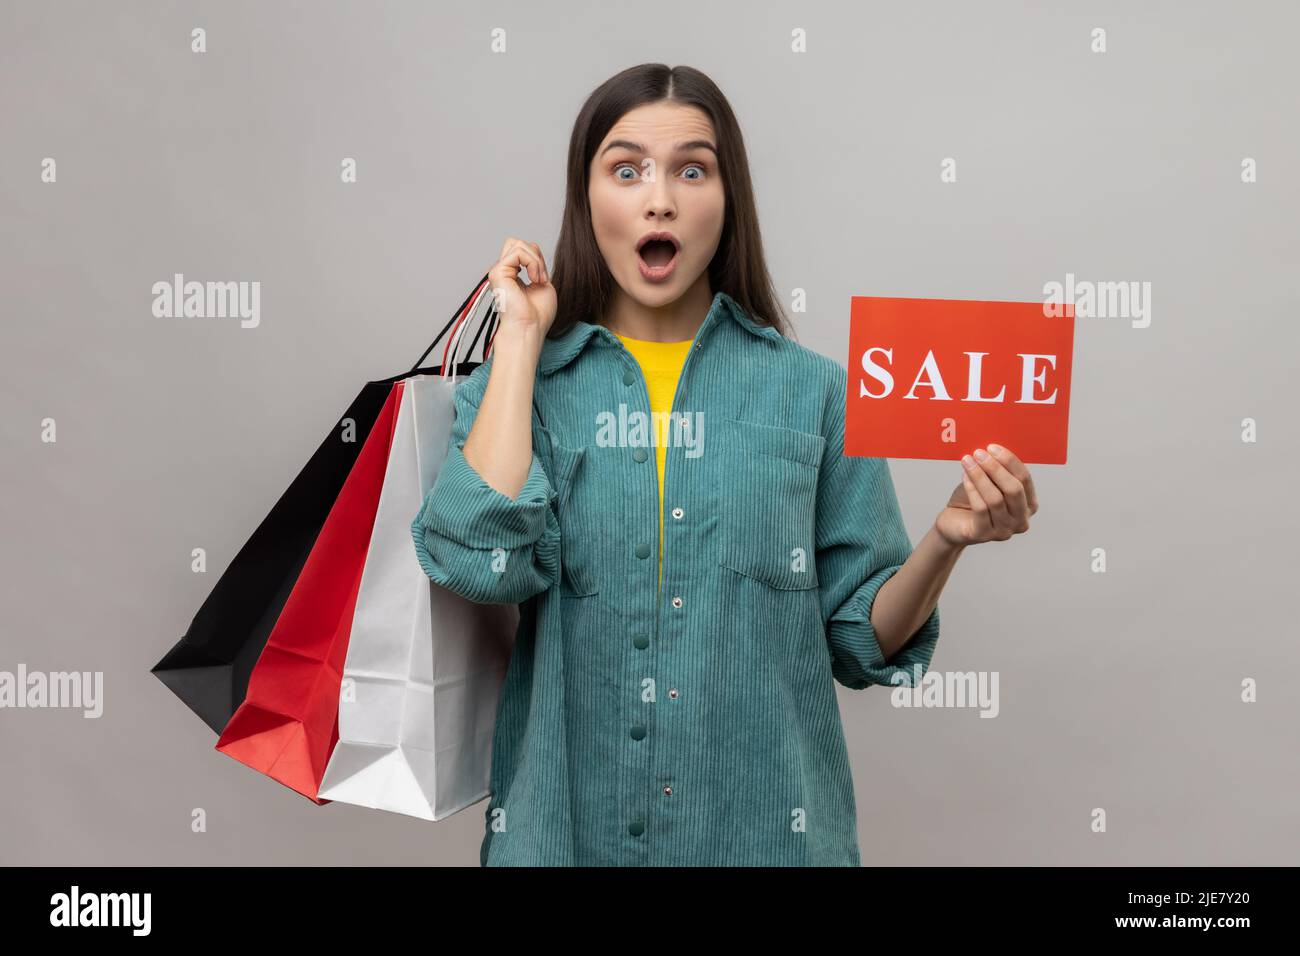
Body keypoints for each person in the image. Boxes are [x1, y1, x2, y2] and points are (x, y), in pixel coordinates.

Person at [410, 63, 1039, 866]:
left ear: (727, 198)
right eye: (626, 169)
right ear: (587, 197)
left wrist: (947, 539)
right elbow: (479, 562)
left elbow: (861, 645)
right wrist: (524, 342)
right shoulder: (524, 385)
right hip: (564, 839)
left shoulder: (812, 392)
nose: (659, 198)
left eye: (692, 170)